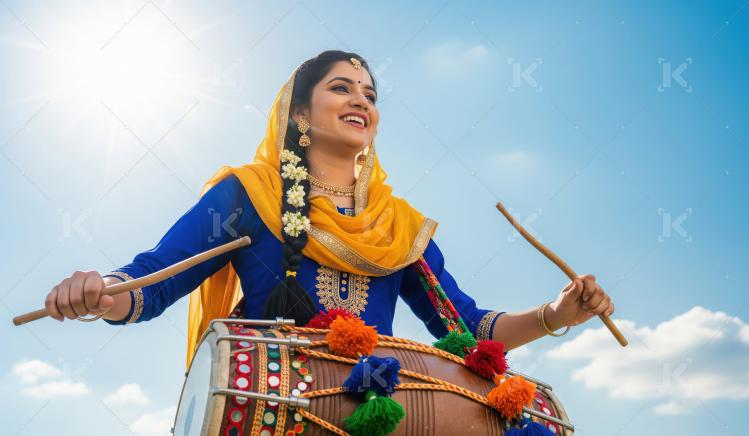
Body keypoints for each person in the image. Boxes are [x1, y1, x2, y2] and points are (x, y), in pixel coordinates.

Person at [43, 50, 614, 365]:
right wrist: (100, 292)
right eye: (342, 88)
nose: (360, 100)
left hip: (381, 413)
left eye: (369, 94)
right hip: (275, 413)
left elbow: (463, 325)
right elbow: (154, 281)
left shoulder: (400, 226)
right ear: (298, 117)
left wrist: (556, 315)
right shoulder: (248, 194)